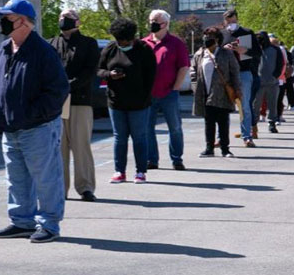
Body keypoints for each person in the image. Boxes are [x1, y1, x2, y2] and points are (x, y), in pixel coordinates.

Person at [0, 0, 69, 243]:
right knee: (16, 178)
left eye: (7, 18)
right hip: (10, 128)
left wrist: (32, 114)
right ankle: (22, 221)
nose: (1, 22)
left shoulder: (43, 51)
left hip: (38, 128)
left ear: (23, 21)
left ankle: (50, 224)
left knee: (46, 178)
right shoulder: (2, 50)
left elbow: (57, 91)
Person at [97, 18, 156, 184]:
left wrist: (145, 97)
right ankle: (119, 171)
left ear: (132, 38)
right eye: (118, 40)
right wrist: (110, 75)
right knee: (119, 138)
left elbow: (151, 76)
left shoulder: (144, 49)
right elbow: (99, 70)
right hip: (116, 102)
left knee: (139, 137)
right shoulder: (110, 48)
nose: (121, 44)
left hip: (139, 103)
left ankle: (141, 172)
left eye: (124, 41)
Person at [48, 9, 99, 202]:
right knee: (58, 148)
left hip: (80, 100)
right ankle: (60, 189)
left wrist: (68, 86)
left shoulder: (88, 43)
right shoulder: (51, 44)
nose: (63, 20)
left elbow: (90, 71)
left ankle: (85, 187)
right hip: (57, 103)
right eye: (61, 17)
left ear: (77, 22)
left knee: (81, 146)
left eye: (68, 18)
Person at [142, 10, 190, 171]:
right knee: (147, 128)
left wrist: (175, 87)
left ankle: (177, 159)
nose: (152, 23)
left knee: (175, 127)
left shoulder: (176, 43)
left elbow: (184, 67)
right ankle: (151, 160)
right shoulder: (143, 43)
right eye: (151, 20)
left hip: (169, 93)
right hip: (148, 95)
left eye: (156, 20)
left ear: (166, 24)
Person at [192, 26, 242, 158]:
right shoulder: (200, 54)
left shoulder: (227, 54)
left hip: (222, 93)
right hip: (205, 93)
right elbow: (194, 71)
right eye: (205, 37)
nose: (206, 39)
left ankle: (225, 149)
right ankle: (209, 148)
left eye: (210, 37)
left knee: (223, 121)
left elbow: (235, 73)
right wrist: (195, 87)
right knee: (209, 122)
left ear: (217, 40)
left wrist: (237, 90)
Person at [221, 9, 261, 147]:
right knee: (223, 107)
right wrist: (224, 48)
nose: (231, 23)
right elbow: (213, 52)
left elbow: (258, 52)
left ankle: (247, 136)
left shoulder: (246, 32)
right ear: (224, 21)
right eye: (228, 21)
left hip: (244, 72)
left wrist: (245, 50)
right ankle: (221, 138)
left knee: (245, 106)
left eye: (233, 20)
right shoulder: (222, 34)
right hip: (226, 74)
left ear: (237, 19)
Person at [253, 31, 283, 134]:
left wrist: (275, 76)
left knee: (272, 104)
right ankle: (253, 124)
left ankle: (272, 123)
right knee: (255, 104)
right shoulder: (255, 49)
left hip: (272, 82)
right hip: (258, 82)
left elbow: (280, 64)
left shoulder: (275, 50)